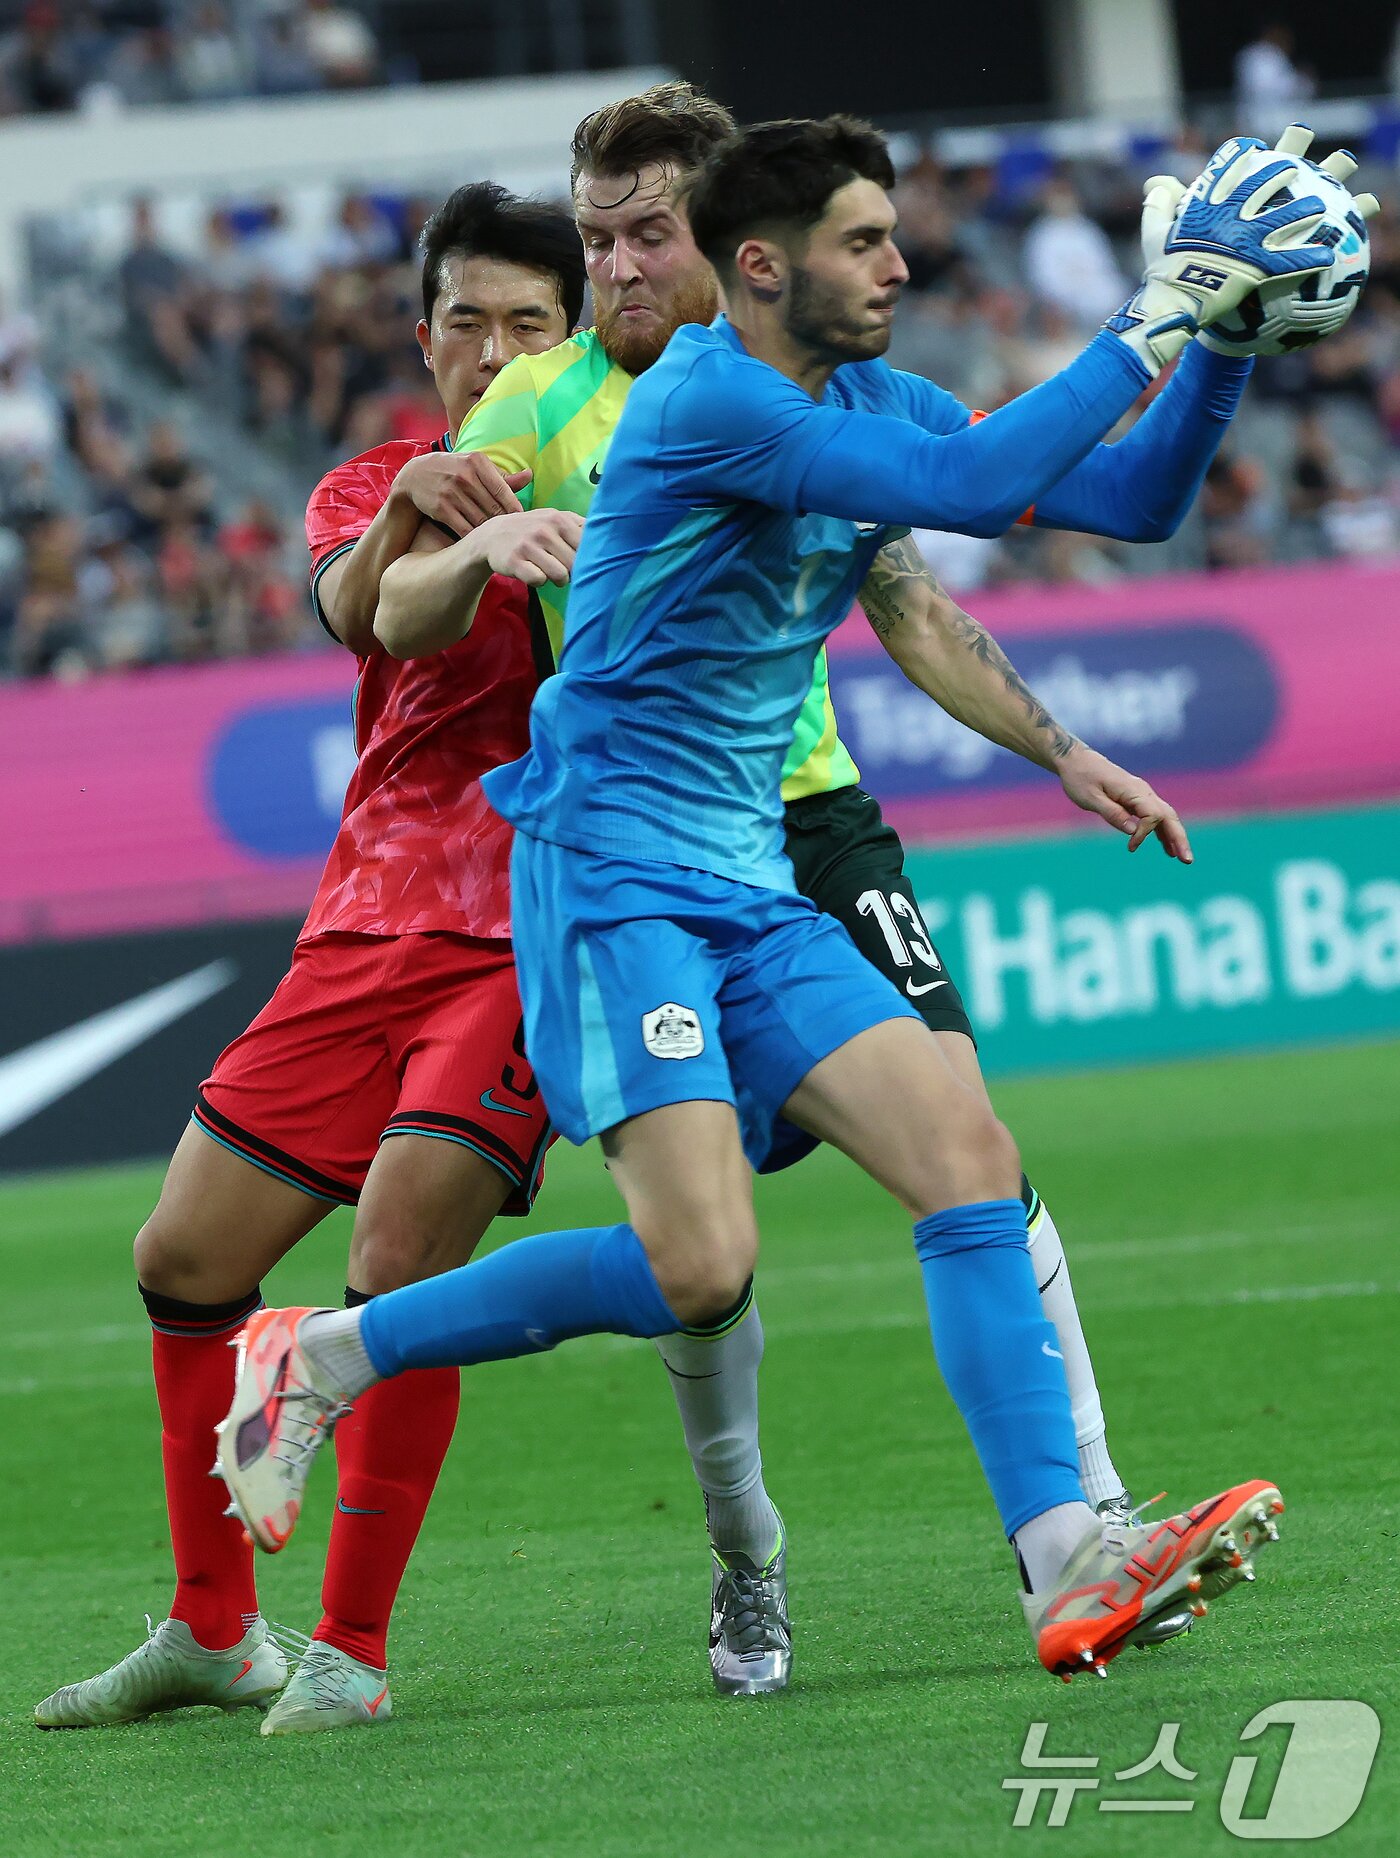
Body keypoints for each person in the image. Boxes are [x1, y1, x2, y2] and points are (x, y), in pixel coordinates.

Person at [214, 117, 1330, 1678]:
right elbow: (980, 475)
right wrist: (1157, 307)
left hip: (745, 873)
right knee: (699, 1267)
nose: (899, 262)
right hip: (607, 876)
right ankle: (323, 1353)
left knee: (968, 1152)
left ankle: (1067, 1557)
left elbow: (1130, 498)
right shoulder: (712, 402)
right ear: (765, 267)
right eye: (865, 241)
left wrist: (1224, 341)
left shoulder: (868, 393)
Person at [37, 180, 755, 1736]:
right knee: (183, 1260)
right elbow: (379, 617)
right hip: (357, 924)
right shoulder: (369, 481)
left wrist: (508, 534)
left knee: (395, 1269)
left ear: (572, 336)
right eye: (469, 320)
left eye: (530, 321)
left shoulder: (639, 458)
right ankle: (215, 1629)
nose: (496, 346)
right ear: (425, 335)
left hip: (529, 923)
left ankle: (351, 1649)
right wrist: (447, 524)